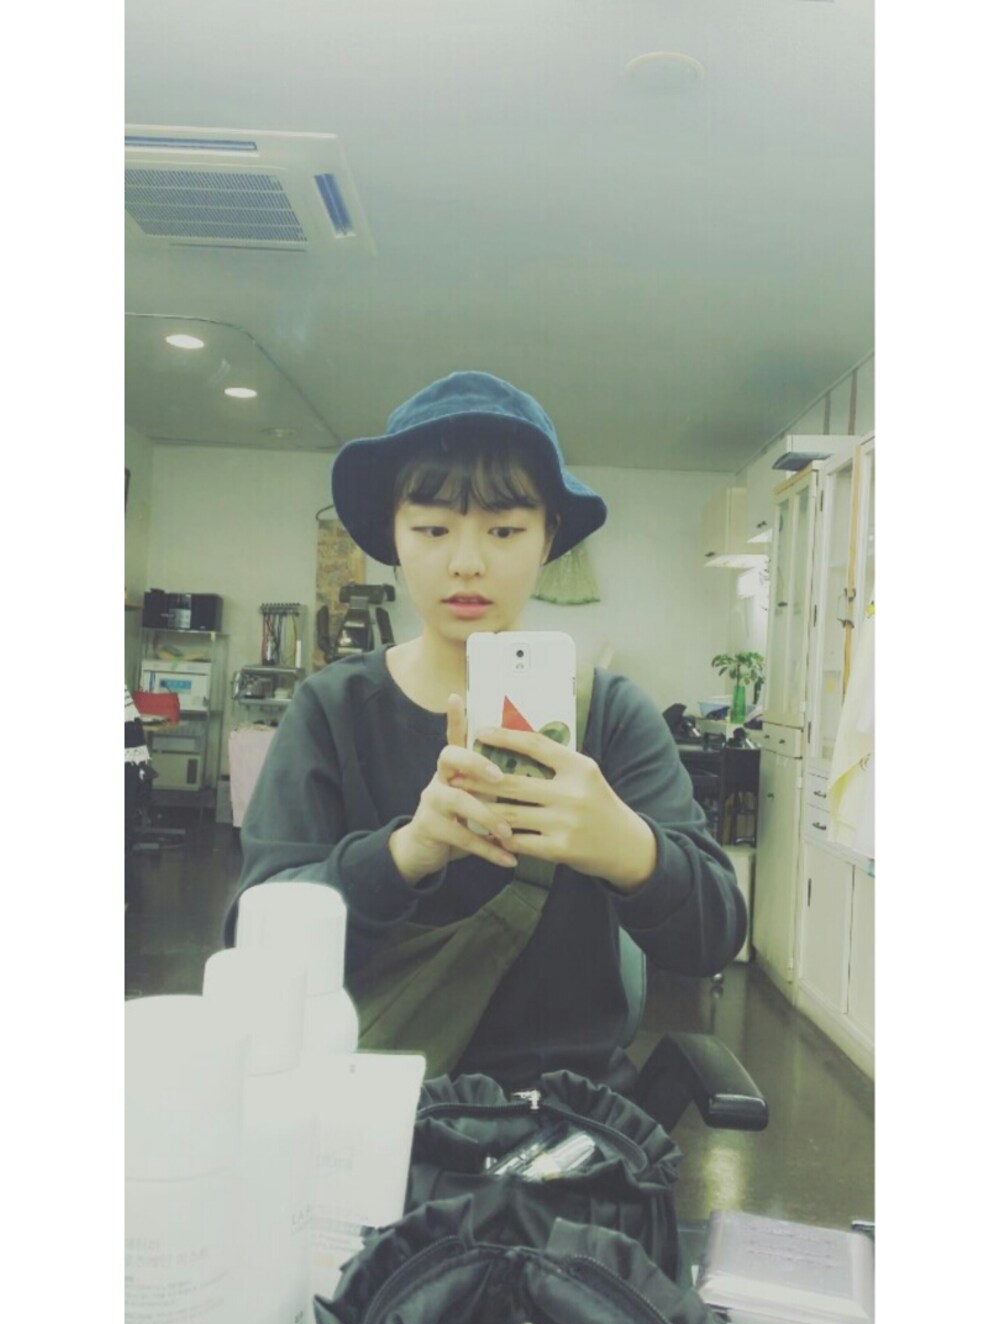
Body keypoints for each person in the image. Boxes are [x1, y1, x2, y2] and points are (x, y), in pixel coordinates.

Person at [224, 371, 746, 1092]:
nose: (466, 563)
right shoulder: (332, 711)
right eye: (432, 529)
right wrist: (404, 854)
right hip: (369, 1102)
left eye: (504, 531)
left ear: (548, 538)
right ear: (393, 538)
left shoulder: (612, 716)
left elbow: (714, 937)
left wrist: (628, 848)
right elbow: (255, 941)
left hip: (563, 1110)